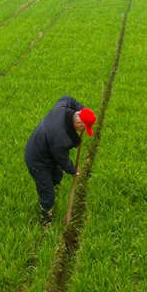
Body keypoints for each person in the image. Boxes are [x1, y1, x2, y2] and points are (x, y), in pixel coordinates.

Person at [25, 96, 96, 224]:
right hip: (37, 159)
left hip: (47, 150)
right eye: (84, 128)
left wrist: (83, 110)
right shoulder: (61, 137)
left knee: (57, 176)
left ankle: (47, 193)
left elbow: (67, 98)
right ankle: (46, 217)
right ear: (79, 123)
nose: (83, 131)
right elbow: (62, 159)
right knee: (48, 193)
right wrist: (73, 170)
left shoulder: (62, 107)